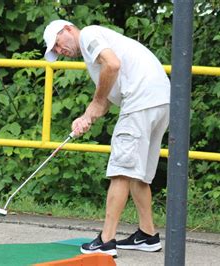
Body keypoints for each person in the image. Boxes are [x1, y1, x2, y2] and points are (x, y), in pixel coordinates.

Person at [43, 20, 170, 257]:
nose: (60, 52)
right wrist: (87, 117)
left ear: (68, 30)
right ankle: (147, 234)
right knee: (137, 172)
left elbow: (112, 66)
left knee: (121, 170)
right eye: (56, 51)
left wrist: (97, 101)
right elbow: (108, 96)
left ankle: (106, 240)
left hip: (140, 101)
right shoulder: (99, 44)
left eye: (58, 45)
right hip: (160, 101)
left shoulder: (89, 35)